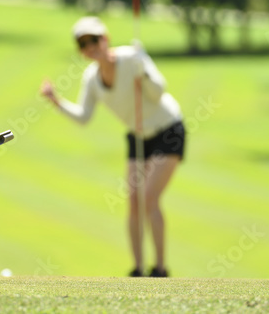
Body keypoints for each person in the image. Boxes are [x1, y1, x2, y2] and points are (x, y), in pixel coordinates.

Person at [39, 16, 185, 278]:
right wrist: (56, 101)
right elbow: (84, 117)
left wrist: (145, 76)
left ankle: (160, 269)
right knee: (133, 200)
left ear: (105, 39)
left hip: (168, 129)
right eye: (83, 44)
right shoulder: (91, 78)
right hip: (138, 136)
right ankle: (138, 270)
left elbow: (158, 92)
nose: (90, 47)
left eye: (94, 40)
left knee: (150, 197)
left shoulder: (132, 57)